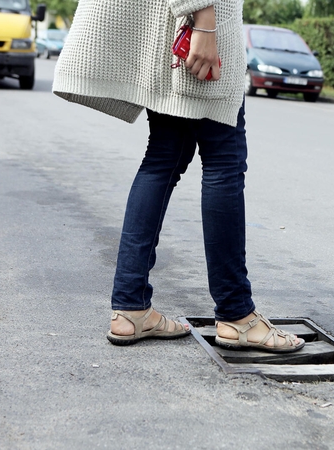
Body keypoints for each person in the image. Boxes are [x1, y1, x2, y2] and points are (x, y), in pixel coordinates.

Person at [52, 0, 304, 353]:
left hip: (170, 25)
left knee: (165, 156)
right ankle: (236, 315)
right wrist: (203, 19)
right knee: (223, 159)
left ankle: (131, 307)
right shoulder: (203, 19)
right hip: (197, 21)